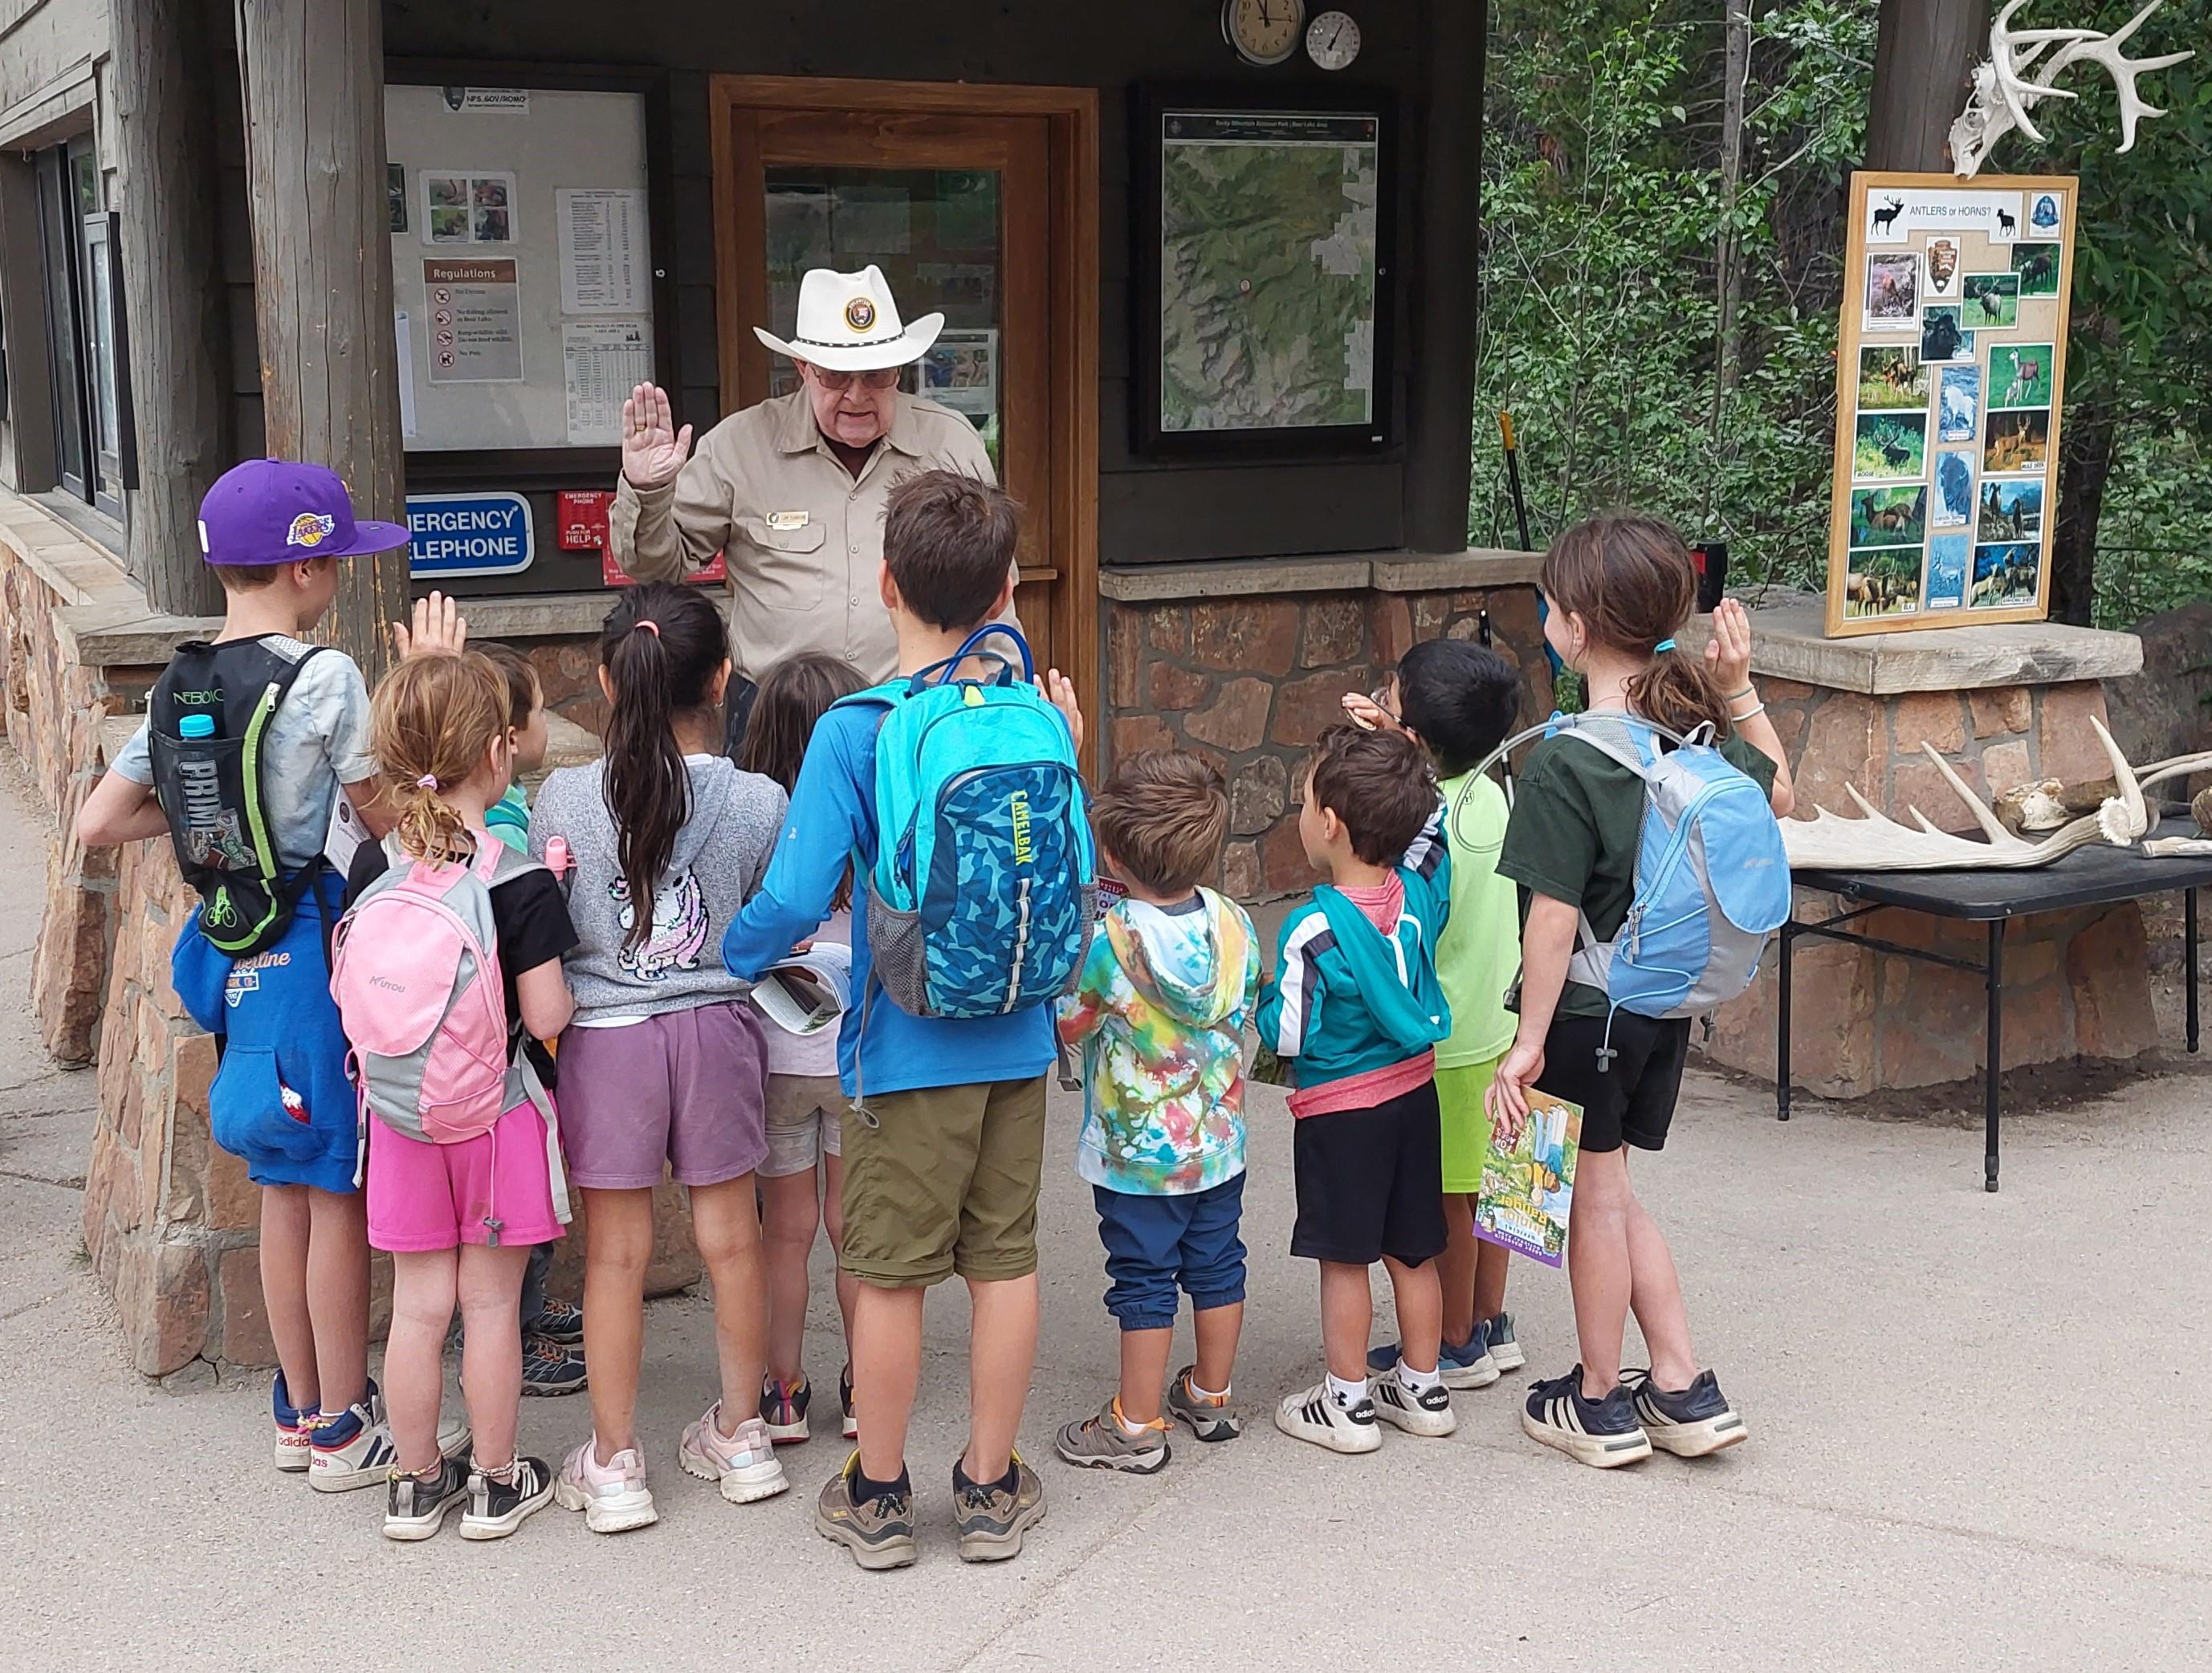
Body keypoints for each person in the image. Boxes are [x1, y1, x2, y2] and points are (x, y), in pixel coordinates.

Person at [723, 470, 1082, 1570]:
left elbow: (793, 896)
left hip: (899, 1047)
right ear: (1010, 589)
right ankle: (987, 1485)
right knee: (1004, 1262)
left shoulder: (856, 730)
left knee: (885, 1274)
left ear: (884, 582)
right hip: (1018, 1042)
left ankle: (877, 1493)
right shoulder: (1042, 718)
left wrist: (732, 954)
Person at [75, 459, 404, 1489]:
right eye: (336, 559)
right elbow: (384, 812)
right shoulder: (323, 676)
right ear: (306, 568)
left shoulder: (179, 684)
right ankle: (344, 1425)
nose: (340, 577)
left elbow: (99, 822)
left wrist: (206, 830)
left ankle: (298, 1409)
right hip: (310, 945)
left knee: (278, 1183)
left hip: (235, 953)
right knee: (331, 1188)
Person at [1488, 512, 1794, 1468]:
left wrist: (1526, 1040)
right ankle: (1676, 1380)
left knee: (1595, 1201)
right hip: (1660, 1008)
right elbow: (1778, 792)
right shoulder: (1692, 733)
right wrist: (1738, 689)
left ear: (1573, 627)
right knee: (1614, 1190)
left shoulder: (1567, 759)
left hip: (1582, 1013)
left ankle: (1595, 1399)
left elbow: (1548, 920)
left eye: (1549, 605)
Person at [530, 582, 793, 1533]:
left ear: (608, 679)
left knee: (614, 1255)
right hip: (720, 1028)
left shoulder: (560, 795)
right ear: (722, 679)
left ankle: (614, 1461)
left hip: (607, 1041)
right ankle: (744, 1432)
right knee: (733, 1241)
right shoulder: (761, 799)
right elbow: (770, 912)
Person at [345, 653, 577, 1541]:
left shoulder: (371, 861)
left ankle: (411, 1482)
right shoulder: (515, 876)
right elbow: (548, 1011)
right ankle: (492, 1479)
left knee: (416, 1305)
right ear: (499, 750)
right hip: (495, 1118)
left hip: (399, 1118)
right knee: (487, 1307)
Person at [608, 266, 1016, 738]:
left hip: (916, 715)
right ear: (803, 369)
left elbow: (994, 593)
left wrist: (1004, 705)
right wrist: (648, 490)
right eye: (837, 376)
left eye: (876, 375)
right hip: (778, 719)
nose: (857, 395)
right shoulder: (740, 446)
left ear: (900, 371)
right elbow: (657, 568)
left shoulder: (951, 445)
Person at [1053, 751, 1259, 1475]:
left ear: (1113, 851)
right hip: (1218, 1141)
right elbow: (1246, 1004)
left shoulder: (1109, 944)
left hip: (1138, 1156)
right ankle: (1209, 1394)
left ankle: (1135, 1424)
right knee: (1216, 1262)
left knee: (1142, 1276)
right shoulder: (1235, 924)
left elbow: (1072, 1025)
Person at [1257, 724, 1457, 1455]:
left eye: (1307, 801)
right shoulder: (1418, 902)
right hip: (1415, 1098)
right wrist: (1408, 750)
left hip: (1343, 1113)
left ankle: (1345, 1401)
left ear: (1331, 823)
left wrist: (1259, 998)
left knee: (1345, 1258)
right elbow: (1433, 840)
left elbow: (1286, 1034)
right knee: (1413, 1249)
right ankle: (1423, 1385)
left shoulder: (1312, 927)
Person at [1345, 640, 1528, 1389]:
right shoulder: (1495, 789)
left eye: (1390, 698)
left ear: (1415, 740)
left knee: (1450, 1195)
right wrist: (1400, 738)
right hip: (1513, 1024)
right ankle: (1490, 1319)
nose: (1380, 706)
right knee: (1499, 1183)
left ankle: (1454, 1340)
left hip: (1449, 1038)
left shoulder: (1424, 821)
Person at [737, 653, 867, 1447]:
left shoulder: (757, 819)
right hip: (855, 1054)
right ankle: (862, 1385)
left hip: (774, 1051)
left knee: (782, 1232)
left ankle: (782, 1389)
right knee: (855, 1225)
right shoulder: (865, 815)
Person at [474, 641, 586, 1397]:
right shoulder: (509, 836)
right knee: (522, 1205)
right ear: (507, 741)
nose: (549, 721)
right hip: (513, 1051)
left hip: (439, 1060)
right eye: (542, 709)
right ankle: (519, 1333)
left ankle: (528, 1313)